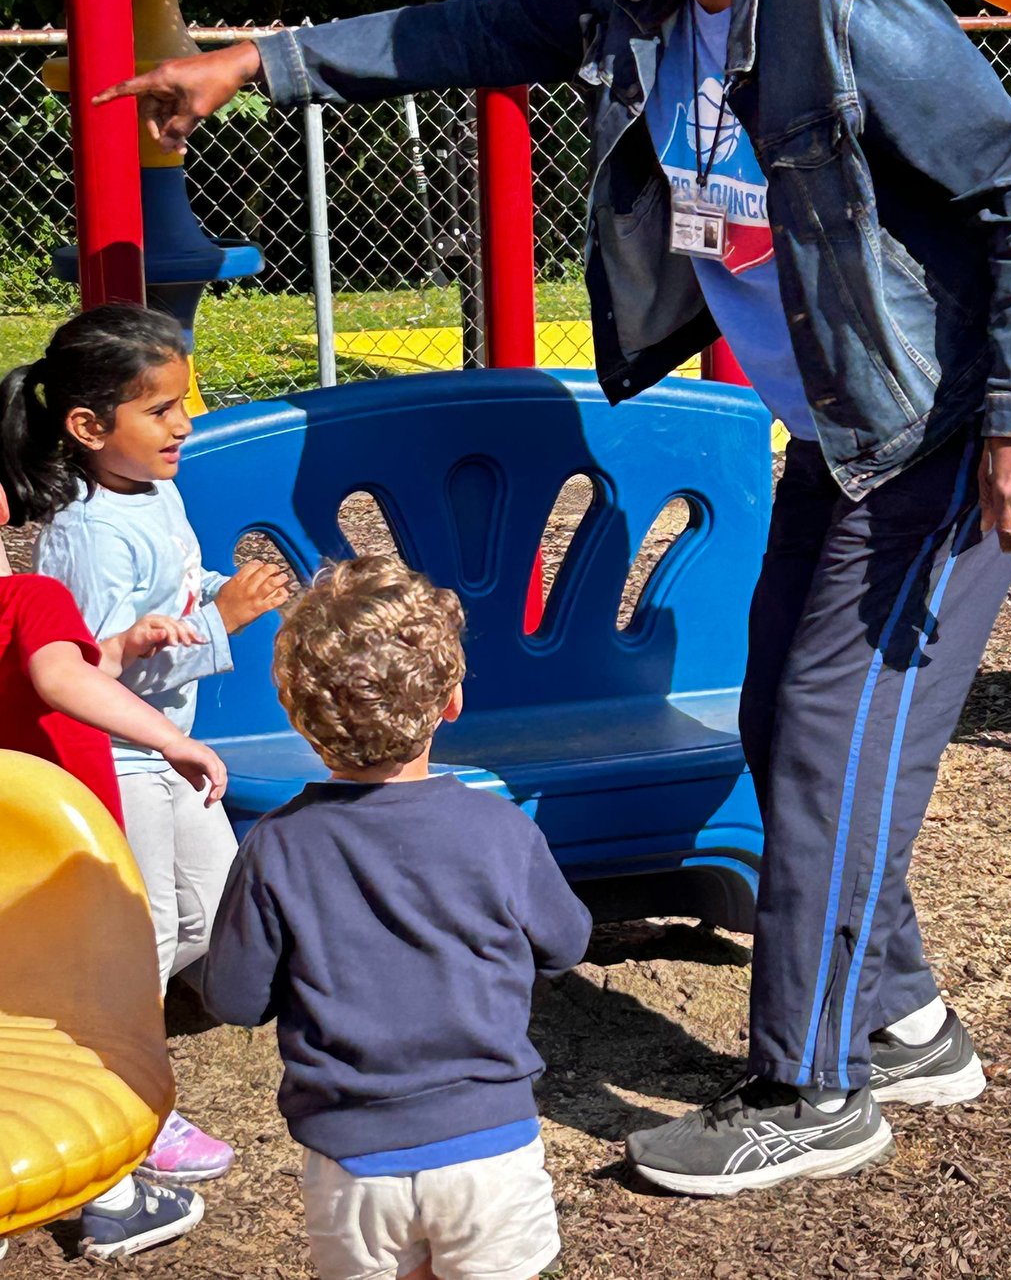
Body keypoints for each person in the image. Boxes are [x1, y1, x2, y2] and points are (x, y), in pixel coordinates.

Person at [98, 0, 1011, 1197]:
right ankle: (903, 1015)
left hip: (937, 436)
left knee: (826, 739)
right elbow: (466, 31)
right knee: (785, 719)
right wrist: (256, 64)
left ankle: (812, 1090)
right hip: (842, 430)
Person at [201, 555, 592, 1280]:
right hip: (488, 1145)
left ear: (297, 712)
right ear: (450, 702)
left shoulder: (276, 846)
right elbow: (565, 942)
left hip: (352, 1161)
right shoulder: (497, 829)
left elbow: (232, 999)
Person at [0, 302, 290, 1187]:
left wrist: (219, 592)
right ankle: (124, 1086)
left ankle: (116, 1022)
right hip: (115, 765)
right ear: (89, 427)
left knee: (214, 908)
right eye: (160, 410)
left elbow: (176, 588)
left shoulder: (156, 491)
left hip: (171, 751)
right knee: (144, 933)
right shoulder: (86, 534)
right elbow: (98, 674)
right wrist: (223, 621)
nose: (184, 424)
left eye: (181, 402)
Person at [0, 475, 228, 1258]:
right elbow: (58, 675)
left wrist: (121, 648)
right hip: (64, 859)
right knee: (81, 1017)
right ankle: (119, 1198)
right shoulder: (29, 598)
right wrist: (169, 738)